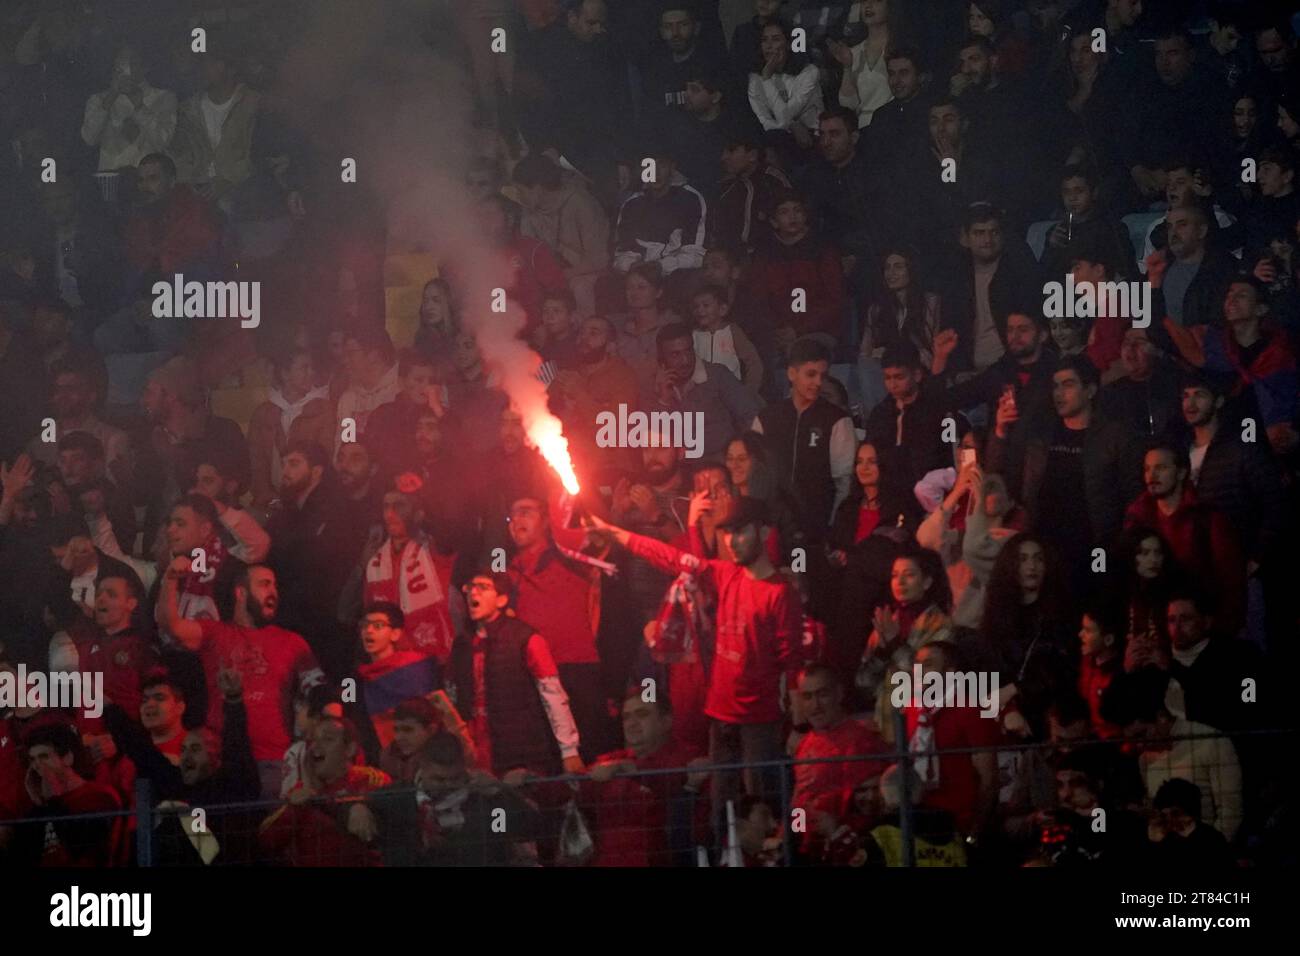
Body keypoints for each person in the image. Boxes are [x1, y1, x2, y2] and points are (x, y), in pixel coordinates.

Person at [586, 497, 801, 822]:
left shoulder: (779, 592)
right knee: (720, 813)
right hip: (719, 716)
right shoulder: (725, 574)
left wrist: (797, 725)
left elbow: (793, 662)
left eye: (740, 531)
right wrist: (615, 533)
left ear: (764, 531)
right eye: (726, 532)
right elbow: (670, 558)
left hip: (759, 721)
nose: (731, 540)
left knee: (761, 812)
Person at [158, 557, 324, 798]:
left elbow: (319, 688)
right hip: (224, 763)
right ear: (241, 593)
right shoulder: (215, 633)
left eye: (275, 586)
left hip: (275, 762)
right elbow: (170, 625)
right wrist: (170, 579)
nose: (273, 592)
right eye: (265, 584)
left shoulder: (292, 642)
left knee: (270, 832)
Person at [987, 355, 1143, 595]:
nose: (1059, 393)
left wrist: (1119, 546)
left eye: (1068, 385)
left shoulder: (1115, 437)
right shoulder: (1040, 436)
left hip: (1094, 548)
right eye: (1056, 386)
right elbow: (1001, 476)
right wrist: (1000, 431)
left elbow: (1133, 496)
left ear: (1090, 390)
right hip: (1046, 548)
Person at [450, 569, 584, 778]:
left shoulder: (525, 638)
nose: (473, 593)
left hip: (519, 747)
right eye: (470, 587)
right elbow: (454, 695)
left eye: (483, 588)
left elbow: (552, 694)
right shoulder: (462, 644)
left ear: (502, 600)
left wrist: (568, 749)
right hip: (474, 749)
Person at [1123, 441, 1246, 637]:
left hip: (1199, 631)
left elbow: (1231, 582)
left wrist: (1221, 632)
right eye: (1147, 469)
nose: (1151, 476)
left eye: (1161, 468)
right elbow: (1129, 578)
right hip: (1152, 632)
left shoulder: (1207, 518)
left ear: (1181, 473)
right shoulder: (1137, 517)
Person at [580, 688, 708, 866]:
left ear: (666, 721)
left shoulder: (687, 758)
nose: (631, 723)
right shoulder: (610, 761)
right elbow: (570, 787)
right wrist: (533, 782)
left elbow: (675, 780)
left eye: (642, 714)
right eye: (626, 717)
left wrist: (630, 769)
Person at [753, 337, 855, 544]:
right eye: (811, 374)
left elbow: (844, 483)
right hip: (770, 526)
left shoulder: (837, 420)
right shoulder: (766, 418)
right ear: (792, 374)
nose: (818, 382)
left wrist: (834, 527)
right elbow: (754, 475)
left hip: (817, 527)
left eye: (823, 375)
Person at [900, 641, 1000, 841]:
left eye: (927, 664)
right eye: (916, 664)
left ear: (950, 672)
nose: (917, 671)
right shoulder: (911, 709)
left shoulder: (971, 710)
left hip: (958, 823)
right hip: (919, 821)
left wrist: (974, 832)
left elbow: (988, 779)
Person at [790, 664, 889, 858]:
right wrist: (793, 837)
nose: (815, 705)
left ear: (839, 694)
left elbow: (872, 808)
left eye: (822, 694)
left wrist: (836, 828)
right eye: (807, 697)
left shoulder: (861, 741)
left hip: (847, 853)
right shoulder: (804, 744)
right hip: (810, 851)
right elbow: (799, 801)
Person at [14, 722, 124, 867]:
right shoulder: (40, 806)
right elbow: (24, 855)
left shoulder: (99, 796)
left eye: (44, 756)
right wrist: (40, 806)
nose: (38, 765)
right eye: (33, 759)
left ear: (67, 758)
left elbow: (83, 849)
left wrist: (54, 799)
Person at [513, 154, 610, 316]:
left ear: (537, 188)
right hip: (550, 275)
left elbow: (599, 259)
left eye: (520, 191)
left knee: (580, 286)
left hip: (586, 274)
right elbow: (528, 255)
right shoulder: (529, 213)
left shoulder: (581, 204)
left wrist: (561, 275)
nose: (518, 197)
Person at [168, 35, 260, 207]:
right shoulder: (188, 109)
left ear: (231, 68)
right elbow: (179, 155)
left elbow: (257, 154)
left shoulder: (252, 104)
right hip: (199, 198)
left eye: (212, 62)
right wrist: (190, 183)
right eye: (202, 62)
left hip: (244, 196)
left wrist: (228, 181)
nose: (204, 68)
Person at [652, 322, 764, 460]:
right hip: (678, 469)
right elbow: (652, 441)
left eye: (688, 351)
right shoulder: (652, 386)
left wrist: (744, 458)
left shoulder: (717, 375)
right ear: (662, 359)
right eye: (675, 355)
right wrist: (664, 401)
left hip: (720, 464)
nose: (685, 360)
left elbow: (750, 415)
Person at [748, 190, 846, 347]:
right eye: (784, 212)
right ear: (774, 221)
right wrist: (777, 329)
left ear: (805, 216)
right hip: (776, 332)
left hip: (818, 331)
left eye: (797, 210)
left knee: (803, 352)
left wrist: (798, 329)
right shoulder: (765, 254)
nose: (792, 217)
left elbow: (834, 301)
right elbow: (758, 299)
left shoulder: (823, 250)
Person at [247, 350, 334, 508]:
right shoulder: (262, 413)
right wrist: (268, 497)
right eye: (304, 368)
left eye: (312, 367)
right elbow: (256, 462)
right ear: (285, 374)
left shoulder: (324, 410)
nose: (311, 372)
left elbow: (324, 459)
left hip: (310, 502)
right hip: (271, 504)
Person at [354, 602, 440, 751]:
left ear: (395, 634)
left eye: (378, 625)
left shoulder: (415, 668)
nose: (368, 630)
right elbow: (349, 706)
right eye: (364, 625)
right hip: (379, 754)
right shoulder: (357, 676)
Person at [612, 148, 707, 277]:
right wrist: (632, 265)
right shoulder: (632, 204)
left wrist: (661, 266)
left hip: (674, 276)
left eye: (661, 164)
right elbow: (622, 251)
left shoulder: (690, 200)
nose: (655, 171)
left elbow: (695, 254)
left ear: (672, 167)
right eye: (649, 165)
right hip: (636, 275)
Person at [81, 46, 177, 173]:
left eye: (133, 63)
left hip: (148, 182)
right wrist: (111, 96)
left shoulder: (164, 98)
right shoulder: (99, 100)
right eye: (122, 62)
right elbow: (89, 138)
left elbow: (163, 142)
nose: (127, 68)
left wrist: (139, 106)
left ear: (145, 67)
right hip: (111, 181)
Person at [747, 20, 823, 151]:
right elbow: (765, 121)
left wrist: (766, 79)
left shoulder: (809, 72)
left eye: (776, 39)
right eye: (765, 40)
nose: (769, 45)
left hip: (813, 137)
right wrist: (793, 125)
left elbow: (785, 116)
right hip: (777, 139)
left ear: (788, 44)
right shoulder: (755, 79)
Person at [829, 0, 897, 129]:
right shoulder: (853, 53)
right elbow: (848, 105)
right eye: (864, 1)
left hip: (893, 124)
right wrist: (847, 67)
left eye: (876, 0)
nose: (868, 5)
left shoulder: (899, 48)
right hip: (862, 128)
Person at [1147, 777, 1236, 867]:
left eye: (1176, 814)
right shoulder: (1162, 836)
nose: (1171, 820)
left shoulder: (1210, 839)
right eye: (1164, 815)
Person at [690, 283, 763, 391]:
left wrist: (750, 390)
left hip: (730, 391)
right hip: (703, 393)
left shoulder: (732, 331)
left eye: (705, 305)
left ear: (722, 309)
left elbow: (753, 362)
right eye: (696, 306)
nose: (700, 310)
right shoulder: (694, 335)